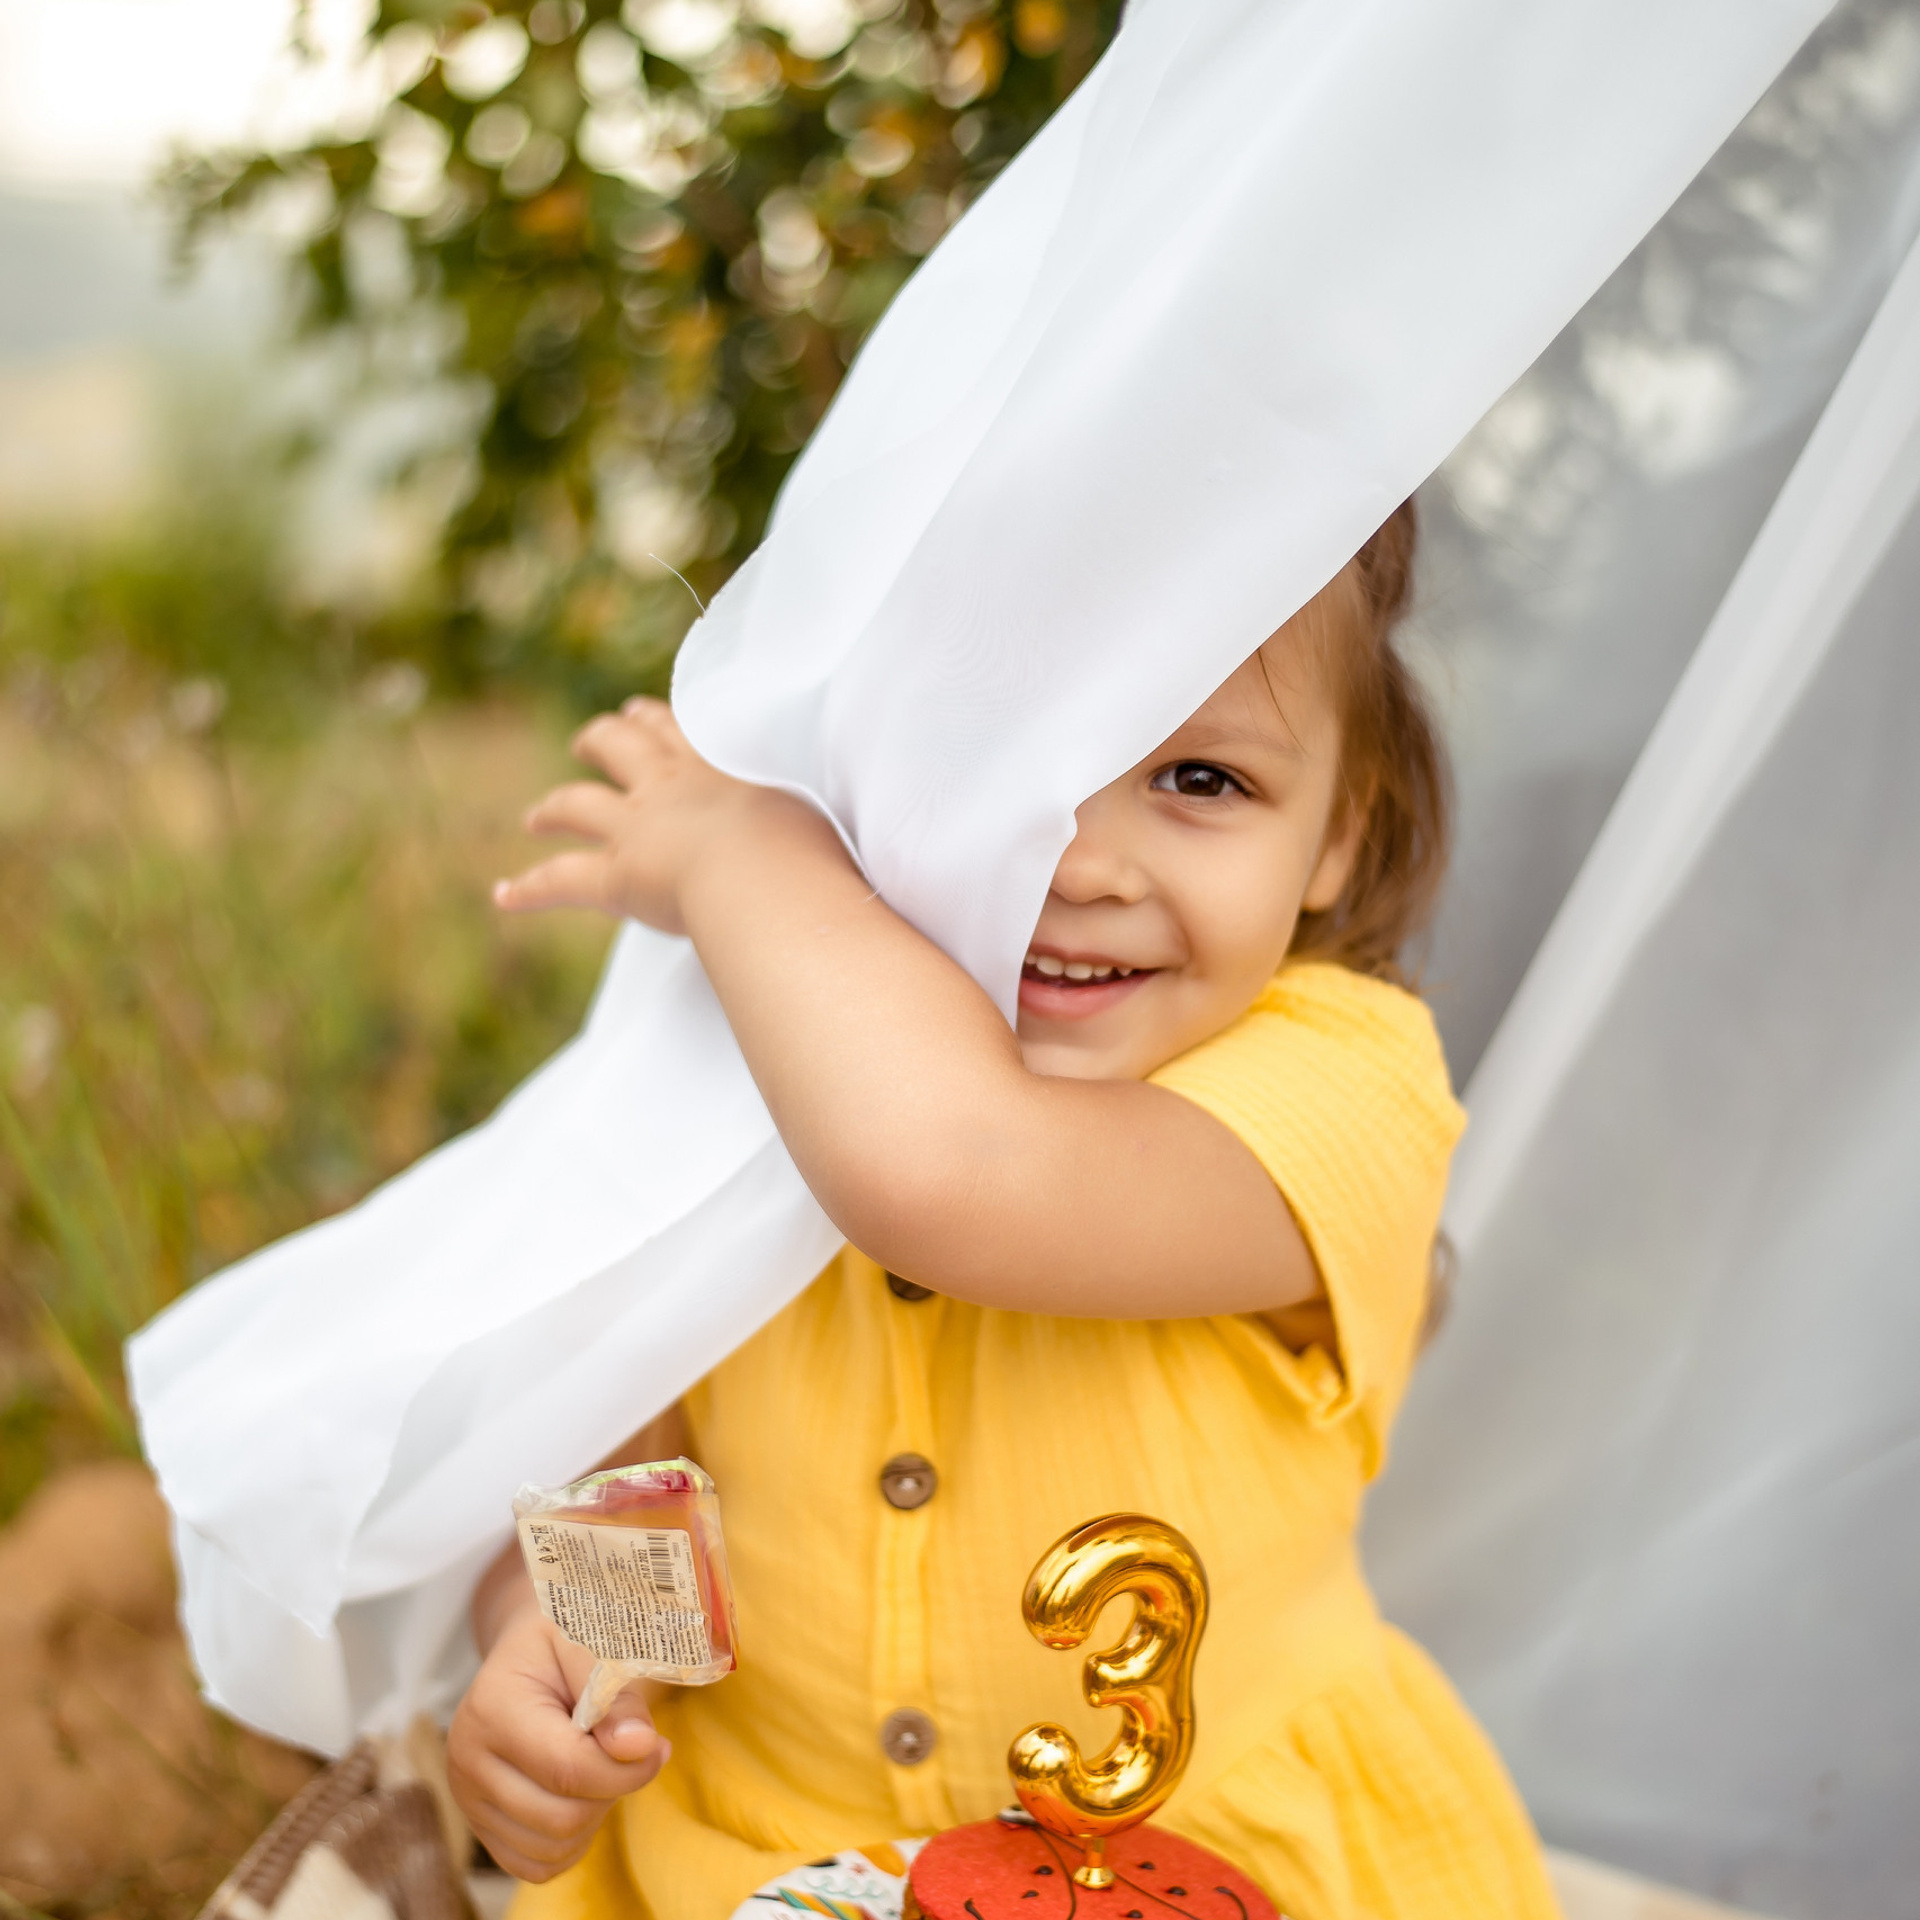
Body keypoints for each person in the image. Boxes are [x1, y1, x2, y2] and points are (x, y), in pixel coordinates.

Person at [447, 502, 1562, 1920]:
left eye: (1202, 780)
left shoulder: (1343, 1080)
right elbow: (639, 1470)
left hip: (1211, 1874)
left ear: (1338, 836)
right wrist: (553, 1654)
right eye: (997, 768)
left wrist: (739, 855)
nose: (1080, 864)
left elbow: (953, 1170)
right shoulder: (767, 1070)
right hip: (770, 1858)